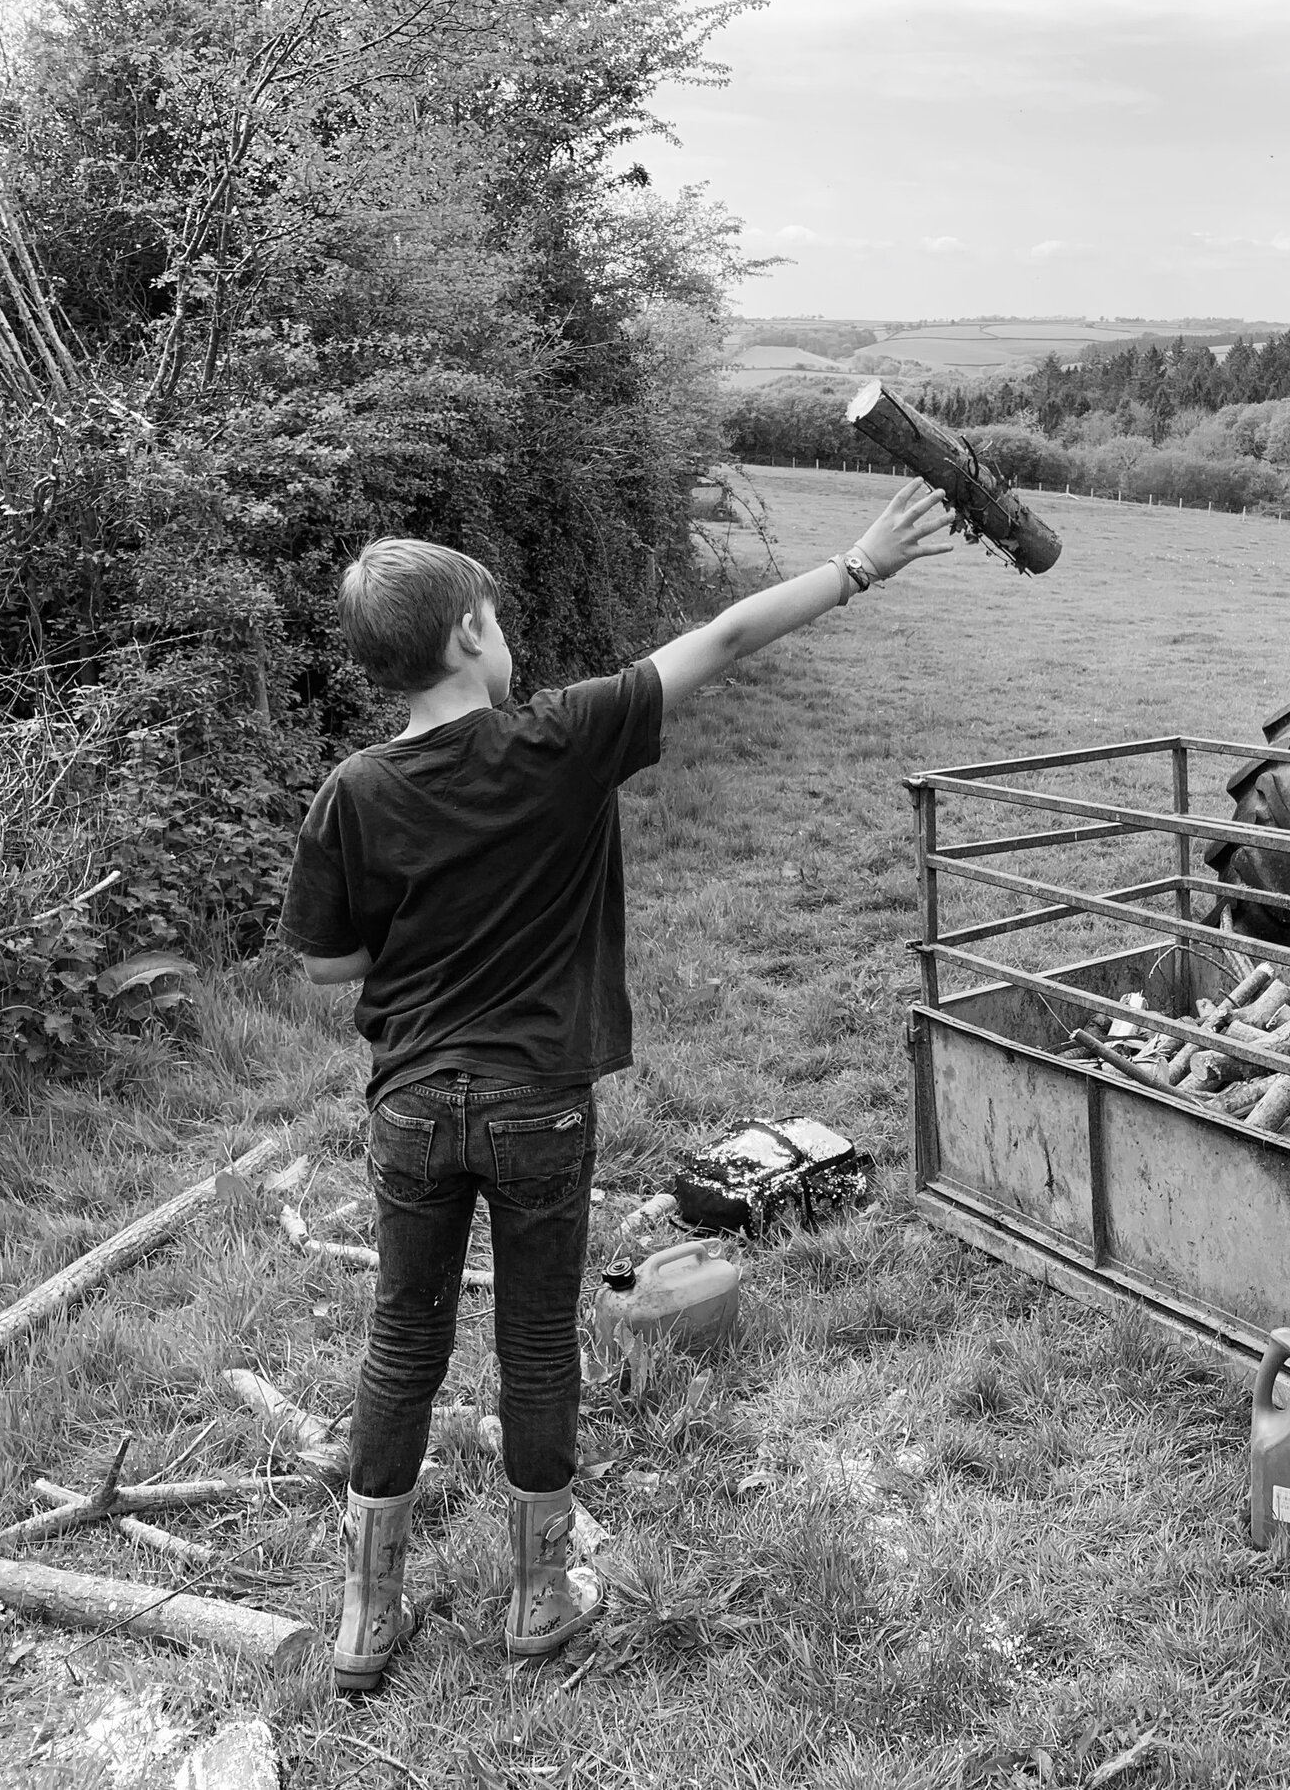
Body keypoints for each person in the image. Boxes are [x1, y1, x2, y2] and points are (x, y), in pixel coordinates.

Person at [280, 483, 959, 1691]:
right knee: (536, 1342)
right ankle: (539, 1599)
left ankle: (365, 1617)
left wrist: (423, 939)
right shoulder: (563, 737)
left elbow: (327, 963)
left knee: (401, 1342)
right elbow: (729, 637)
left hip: (416, 1108)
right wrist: (860, 565)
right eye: (493, 614)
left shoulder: (353, 792)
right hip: (542, 1102)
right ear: (471, 636)